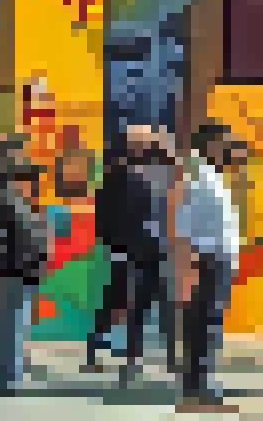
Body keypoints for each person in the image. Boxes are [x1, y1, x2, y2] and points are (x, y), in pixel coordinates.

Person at [85, 125, 170, 384]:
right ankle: (99, 350)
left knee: (142, 304)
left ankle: (132, 358)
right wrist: (113, 245)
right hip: (126, 250)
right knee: (118, 301)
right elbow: (103, 218)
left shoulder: (160, 176)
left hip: (152, 250)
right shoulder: (114, 178)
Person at [172, 123, 245, 408]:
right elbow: (183, 222)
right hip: (206, 260)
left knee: (205, 323)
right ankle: (202, 386)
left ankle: (198, 384)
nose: (228, 148)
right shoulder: (196, 175)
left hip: (215, 258)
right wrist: (187, 262)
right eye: (224, 142)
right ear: (210, 143)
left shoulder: (210, 174)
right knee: (205, 324)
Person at [0, 143, 50, 395]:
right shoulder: (11, 200)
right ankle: (8, 381)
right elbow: (30, 237)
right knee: (9, 329)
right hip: (13, 271)